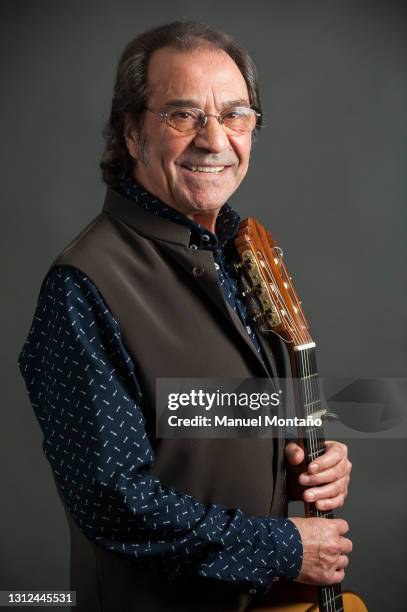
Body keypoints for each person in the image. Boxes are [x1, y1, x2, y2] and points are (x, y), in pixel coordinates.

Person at [18, 21, 352, 612]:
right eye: (183, 115)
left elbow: (202, 413)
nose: (214, 139)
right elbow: (111, 499)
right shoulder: (83, 284)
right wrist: (279, 547)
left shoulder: (241, 250)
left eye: (235, 115)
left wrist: (310, 460)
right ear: (129, 131)